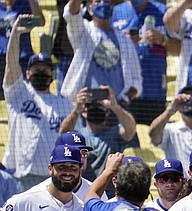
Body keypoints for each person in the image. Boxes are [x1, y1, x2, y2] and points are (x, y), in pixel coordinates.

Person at [3, 19, 71, 191]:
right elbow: (11, 64)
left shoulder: (65, 105)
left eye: (45, 69)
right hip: (16, 176)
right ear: (27, 73)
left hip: (50, 181)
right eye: (36, 69)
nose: (40, 72)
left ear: (52, 75)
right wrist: (16, 34)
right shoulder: (19, 93)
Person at [110, 0, 180, 124]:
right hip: (125, 93)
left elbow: (179, 48)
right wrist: (122, 41)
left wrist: (163, 40)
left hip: (154, 91)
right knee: (127, 138)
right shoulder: (115, 12)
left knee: (153, 139)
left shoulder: (163, 12)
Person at [61, 0, 142, 104]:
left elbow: (136, 80)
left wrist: (125, 99)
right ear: (89, 9)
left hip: (114, 107)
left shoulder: (125, 41)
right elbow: (71, 14)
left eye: (107, 1)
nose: (103, 4)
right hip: (86, 106)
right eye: (98, 1)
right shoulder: (83, 32)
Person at [58, 85, 137, 182]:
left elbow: (131, 130)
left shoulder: (114, 133)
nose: (95, 109)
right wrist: (76, 108)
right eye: (90, 106)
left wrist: (115, 106)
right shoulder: (77, 136)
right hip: (80, 190)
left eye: (100, 106)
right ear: (83, 111)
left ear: (107, 112)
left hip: (108, 192)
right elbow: (62, 135)